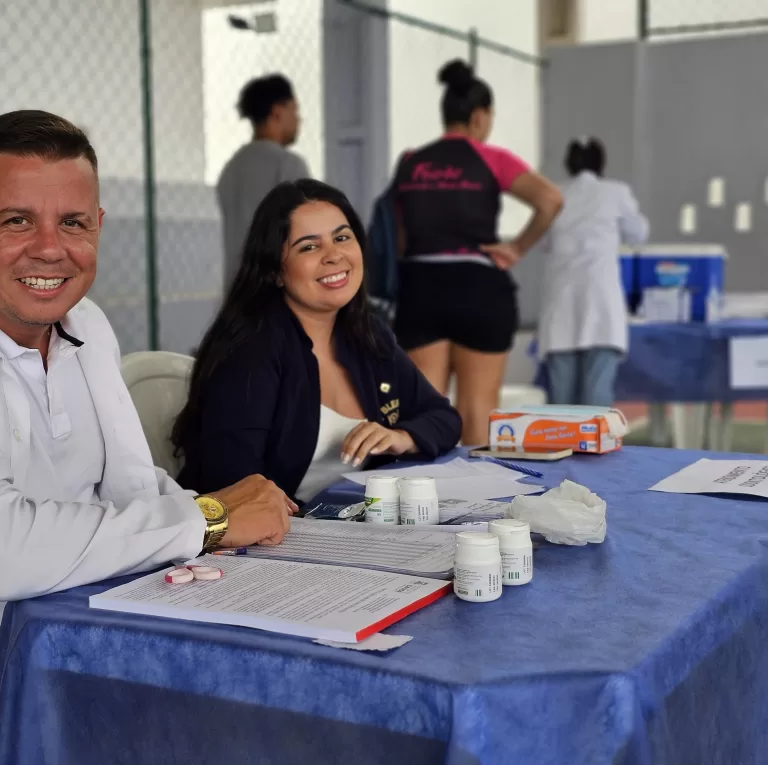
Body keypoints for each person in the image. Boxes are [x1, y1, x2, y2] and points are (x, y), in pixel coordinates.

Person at [0, 110, 295, 765]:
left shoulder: (85, 325)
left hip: (97, 650)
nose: (50, 250)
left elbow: (135, 484)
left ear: (97, 227)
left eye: (72, 223)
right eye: (16, 220)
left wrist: (213, 525)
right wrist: (208, 519)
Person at [173, 179, 462, 504]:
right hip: (260, 542)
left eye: (342, 237)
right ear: (275, 272)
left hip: (348, 527)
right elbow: (235, 485)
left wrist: (401, 437)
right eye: (309, 246)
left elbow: (444, 418)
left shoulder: (368, 334)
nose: (334, 255)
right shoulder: (250, 351)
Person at [390, 59, 563, 446]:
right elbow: (550, 199)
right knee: (478, 411)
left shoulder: (411, 163)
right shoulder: (491, 158)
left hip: (421, 287)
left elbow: (400, 240)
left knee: (423, 412)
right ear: (480, 116)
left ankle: (421, 499)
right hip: (479, 289)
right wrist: (517, 247)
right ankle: (475, 503)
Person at [538, 137, 649, 406]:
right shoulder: (616, 193)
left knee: (561, 406)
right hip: (602, 304)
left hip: (561, 307)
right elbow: (639, 234)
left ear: (568, 164)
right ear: (602, 164)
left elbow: (544, 242)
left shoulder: (554, 195)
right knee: (596, 403)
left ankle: (562, 447)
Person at [217, 73, 309, 295]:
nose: (299, 119)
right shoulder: (289, 165)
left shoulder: (231, 169)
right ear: (277, 111)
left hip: (237, 295)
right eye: (294, 110)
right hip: (277, 296)